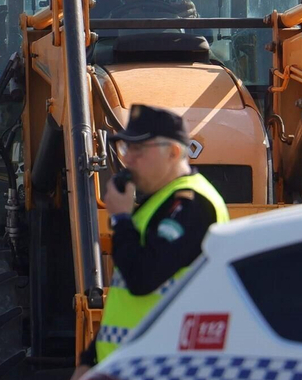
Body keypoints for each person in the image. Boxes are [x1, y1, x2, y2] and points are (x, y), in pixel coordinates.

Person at [90, 105, 228, 361]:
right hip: (129, 369)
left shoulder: (192, 205)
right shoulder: (158, 203)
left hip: (162, 371)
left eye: (138, 150)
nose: (127, 159)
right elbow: (124, 305)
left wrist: (121, 219)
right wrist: (88, 361)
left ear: (173, 152)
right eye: (126, 149)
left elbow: (142, 277)